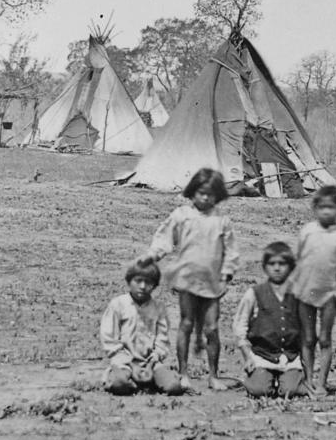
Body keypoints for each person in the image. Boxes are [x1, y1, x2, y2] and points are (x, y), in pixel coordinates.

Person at [137, 168, 239, 391]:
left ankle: (213, 375)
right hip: (187, 278)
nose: (205, 198)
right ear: (192, 192)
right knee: (186, 323)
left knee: (212, 328)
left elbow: (231, 249)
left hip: (212, 281)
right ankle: (183, 373)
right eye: (201, 193)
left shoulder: (221, 220)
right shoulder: (181, 215)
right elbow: (165, 238)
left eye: (210, 194)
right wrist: (153, 254)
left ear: (218, 195)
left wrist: (228, 270)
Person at [289, 185, 336, 394]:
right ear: (314, 208)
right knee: (307, 338)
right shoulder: (307, 231)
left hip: (329, 295)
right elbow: (297, 260)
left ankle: (321, 384)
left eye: (332, 207)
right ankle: (308, 380)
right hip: (305, 291)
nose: (327, 212)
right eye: (322, 207)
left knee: (325, 339)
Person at [232, 241, 309, 398]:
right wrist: (247, 356)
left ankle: (290, 380)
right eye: (272, 264)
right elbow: (240, 326)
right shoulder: (254, 293)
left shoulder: (299, 295)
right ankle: (257, 378)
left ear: (291, 267)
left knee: (290, 391)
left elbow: (306, 331)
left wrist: (306, 364)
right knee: (259, 390)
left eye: (282, 264)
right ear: (265, 267)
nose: (277, 268)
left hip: (290, 358)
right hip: (262, 356)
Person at [99, 261, 183, 396]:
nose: (143, 286)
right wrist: (131, 364)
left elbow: (162, 340)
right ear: (129, 281)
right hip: (124, 361)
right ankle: (128, 379)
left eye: (148, 282)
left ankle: (149, 379)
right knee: (119, 384)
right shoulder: (118, 304)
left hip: (151, 362)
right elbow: (109, 339)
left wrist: (152, 361)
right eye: (138, 281)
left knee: (174, 386)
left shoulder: (158, 307)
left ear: (154, 285)